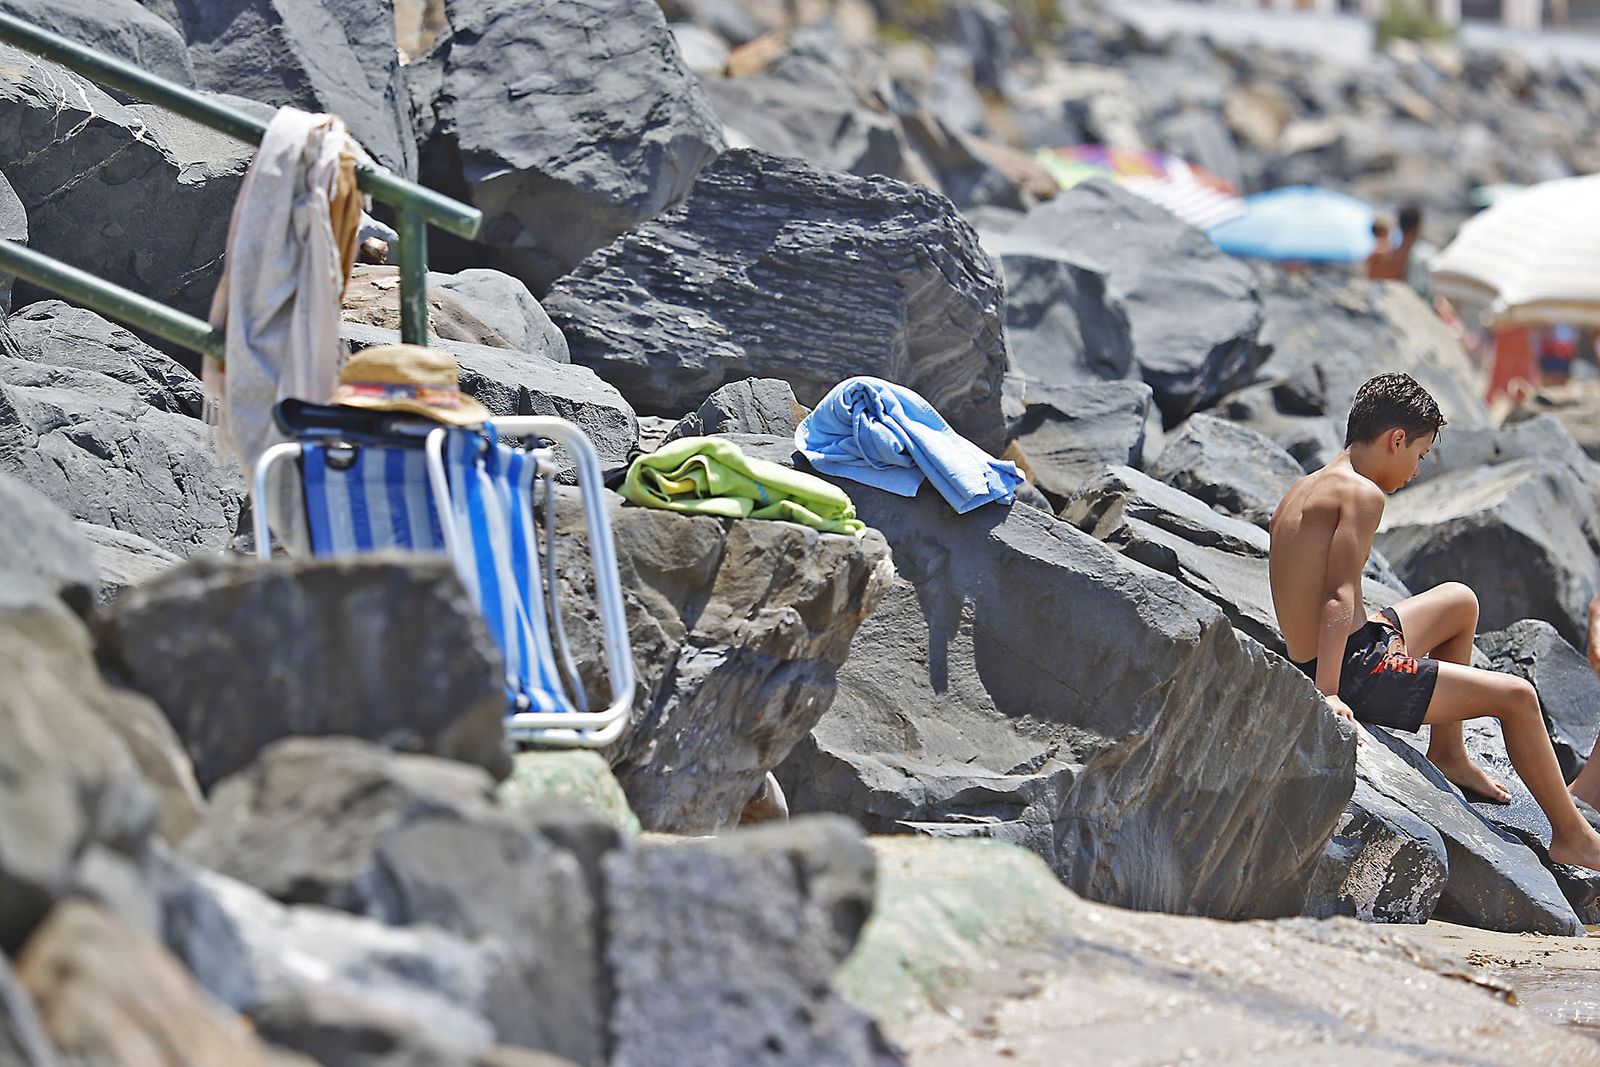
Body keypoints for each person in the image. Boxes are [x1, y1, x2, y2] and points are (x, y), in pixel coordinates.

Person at [1268, 372, 1600, 872]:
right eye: (1419, 455)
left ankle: (1449, 750)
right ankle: (1574, 838)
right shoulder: (1362, 495)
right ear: (1395, 440)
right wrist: (1331, 693)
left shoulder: (1308, 483)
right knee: (1519, 698)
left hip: (1342, 647)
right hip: (1356, 669)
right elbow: (1339, 594)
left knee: (1458, 601)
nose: (1416, 470)